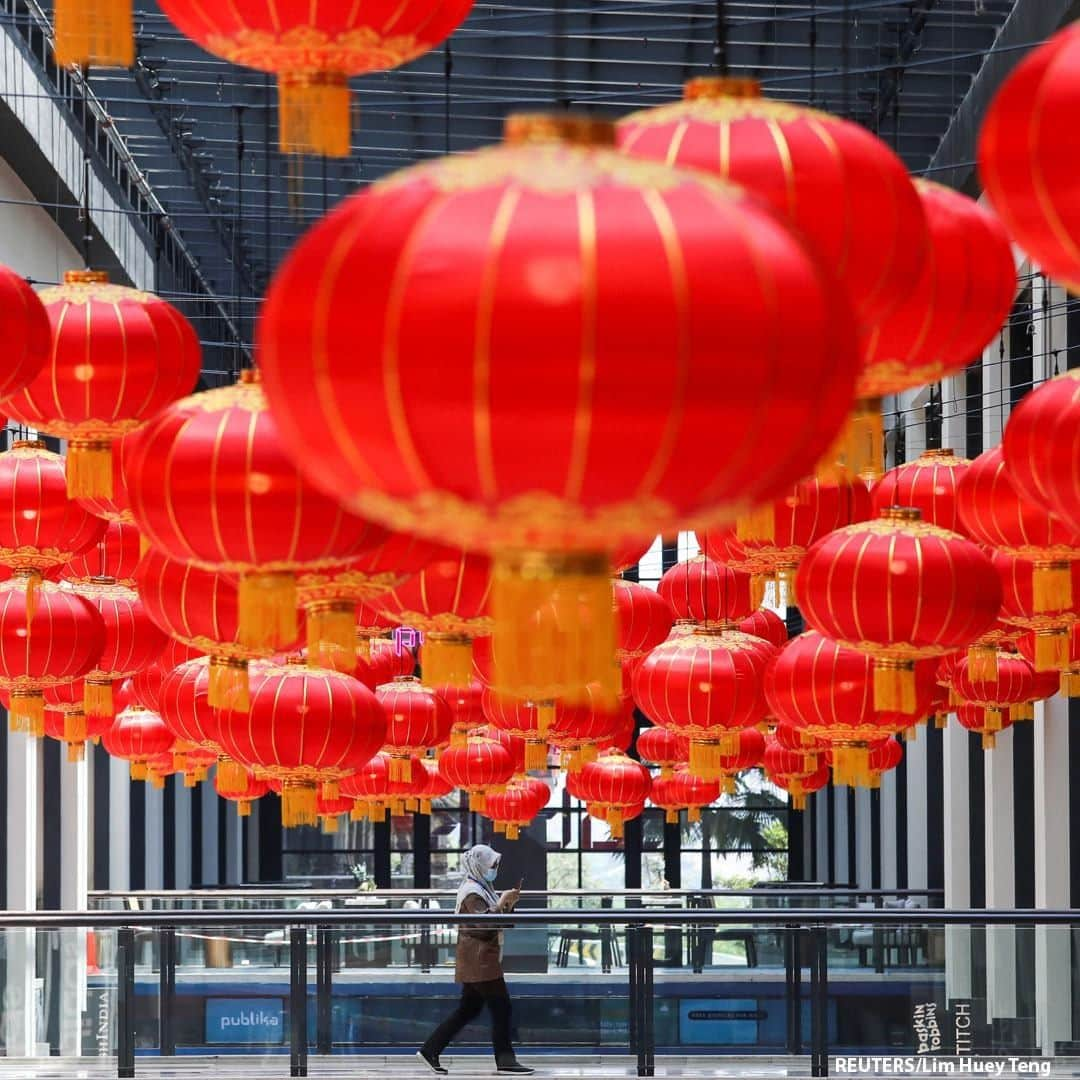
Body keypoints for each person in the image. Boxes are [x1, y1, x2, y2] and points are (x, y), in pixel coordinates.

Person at [417, 845, 534, 1075]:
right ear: (479, 865)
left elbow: (498, 921)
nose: (494, 870)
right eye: (491, 865)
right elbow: (484, 925)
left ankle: (430, 1049)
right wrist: (501, 904)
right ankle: (506, 1061)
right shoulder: (472, 892)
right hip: (479, 961)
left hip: (479, 959)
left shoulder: (483, 888)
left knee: (468, 1009)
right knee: (501, 1007)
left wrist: (508, 904)